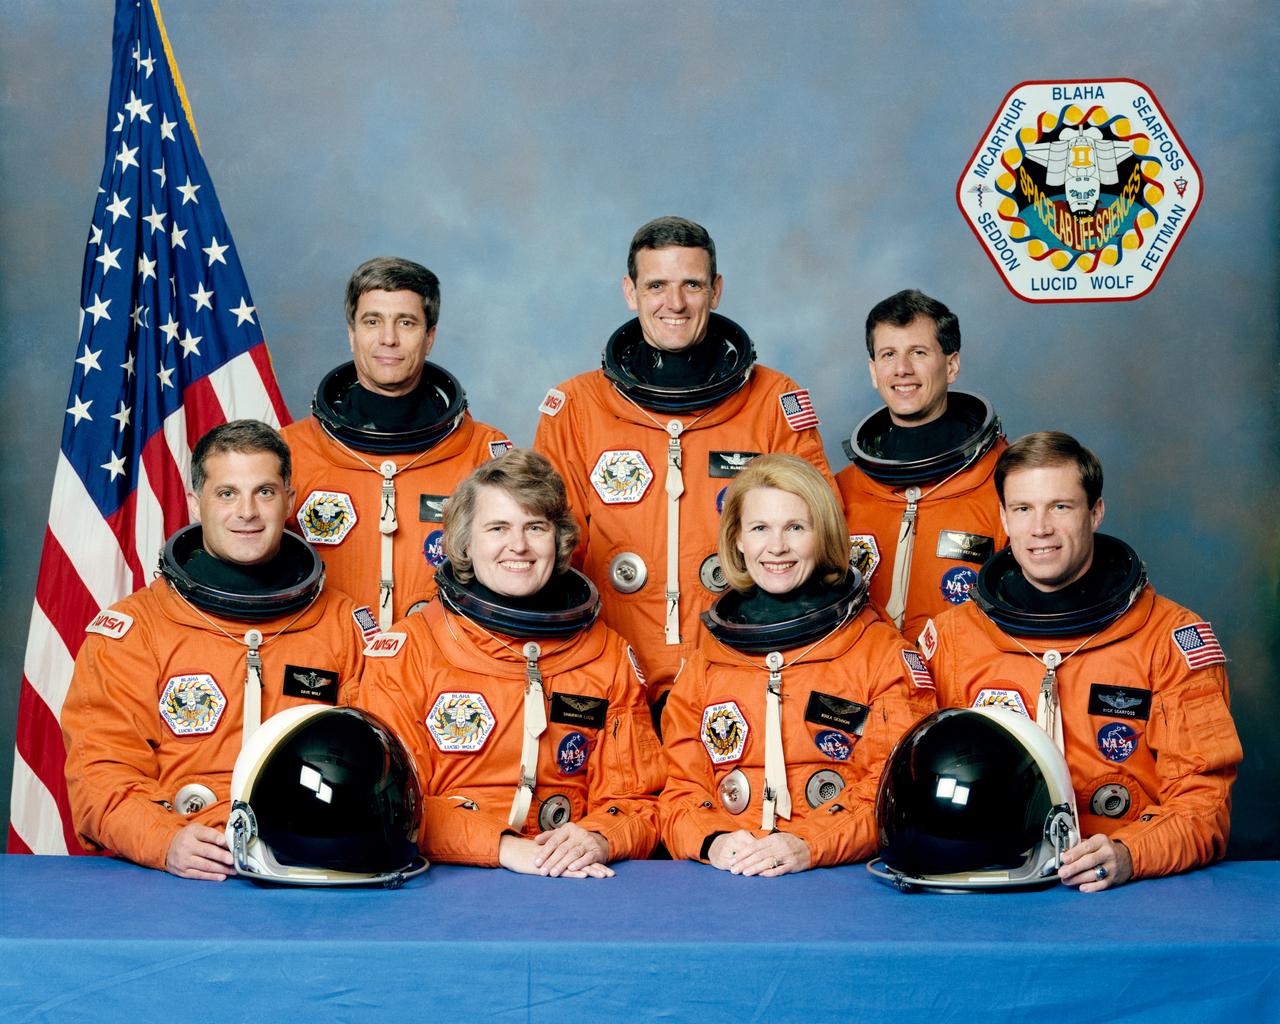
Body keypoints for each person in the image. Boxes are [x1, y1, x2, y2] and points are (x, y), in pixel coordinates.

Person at [535, 217, 836, 724]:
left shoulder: (772, 401)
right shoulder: (576, 408)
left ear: (716, 290)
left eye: (691, 284)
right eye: (656, 285)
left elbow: (819, 538)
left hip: (739, 664)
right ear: (630, 292)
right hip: (604, 666)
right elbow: (543, 551)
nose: (674, 304)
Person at [922, 432, 1242, 890]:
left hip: (1117, 889)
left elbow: (1203, 803)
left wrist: (1131, 853)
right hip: (989, 882)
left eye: (1060, 507)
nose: (1040, 528)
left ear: (1095, 512)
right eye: (1023, 509)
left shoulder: (1168, 638)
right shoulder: (953, 638)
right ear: (1004, 519)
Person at [61, 421, 368, 880]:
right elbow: (99, 770)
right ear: (195, 503)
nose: (247, 511)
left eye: (264, 492)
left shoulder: (342, 625)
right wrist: (163, 839)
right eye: (227, 493)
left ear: (289, 499)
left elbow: (375, 761)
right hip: (183, 869)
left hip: (311, 864)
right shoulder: (135, 631)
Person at [356, 449, 663, 877]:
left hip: (568, 875)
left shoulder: (606, 654)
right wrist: (501, 846)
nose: (518, 545)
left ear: (558, 541)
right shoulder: (410, 651)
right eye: (498, 527)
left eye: (535, 527)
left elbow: (638, 800)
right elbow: (391, 800)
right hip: (446, 877)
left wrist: (597, 836)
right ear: (464, 542)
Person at [659, 454, 936, 874]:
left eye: (795, 528)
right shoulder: (706, 662)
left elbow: (892, 786)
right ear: (737, 540)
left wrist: (809, 843)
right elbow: (679, 790)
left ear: (822, 535)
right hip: (727, 878)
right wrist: (713, 841)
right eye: (759, 529)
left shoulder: (880, 654)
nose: (776, 547)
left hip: (835, 876)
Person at [282, 257, 511, 632]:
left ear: (430, 337)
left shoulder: (483, 454)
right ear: (351, 334)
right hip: (328, 666)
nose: (388, 338)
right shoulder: (290, 451)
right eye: (372, 321)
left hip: (439, 673)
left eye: (406, 322)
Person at [836, 289, 1006, 646]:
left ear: (951, 365)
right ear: (873, 371)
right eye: (888, 355)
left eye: (918, 352)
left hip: (966, 685)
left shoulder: (1005, 482)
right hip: (873, 686)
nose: (902, 370)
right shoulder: (841, 492)